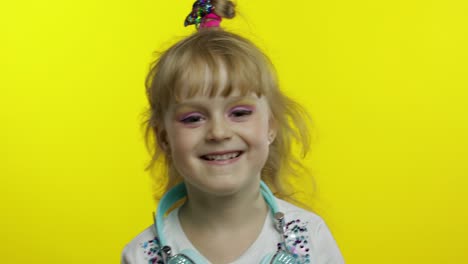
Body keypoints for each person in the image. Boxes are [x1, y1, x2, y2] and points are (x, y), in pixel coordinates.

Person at [122, 0, 344, 263]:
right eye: (193, 118)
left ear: (271, 127)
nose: (218, 132)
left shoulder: (311, 237)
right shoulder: (141, 254)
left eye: (239, 113)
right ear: (164, 138)